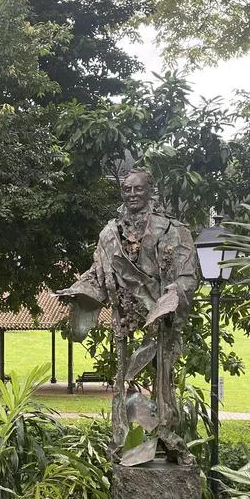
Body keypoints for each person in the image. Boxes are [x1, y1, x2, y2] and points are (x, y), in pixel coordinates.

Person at [56, 169, 199, 465]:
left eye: (138, 189)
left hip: (161, 318)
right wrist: (79, 289)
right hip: (125, 319)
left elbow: (188, 274)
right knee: (123, 380)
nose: (132, 194)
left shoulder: (173, 230)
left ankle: (167, 436)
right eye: (126, 190)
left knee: (164, 380)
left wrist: (173, 294)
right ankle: (121, 441)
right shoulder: (109, 234)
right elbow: (97, 274)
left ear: (150, 190)